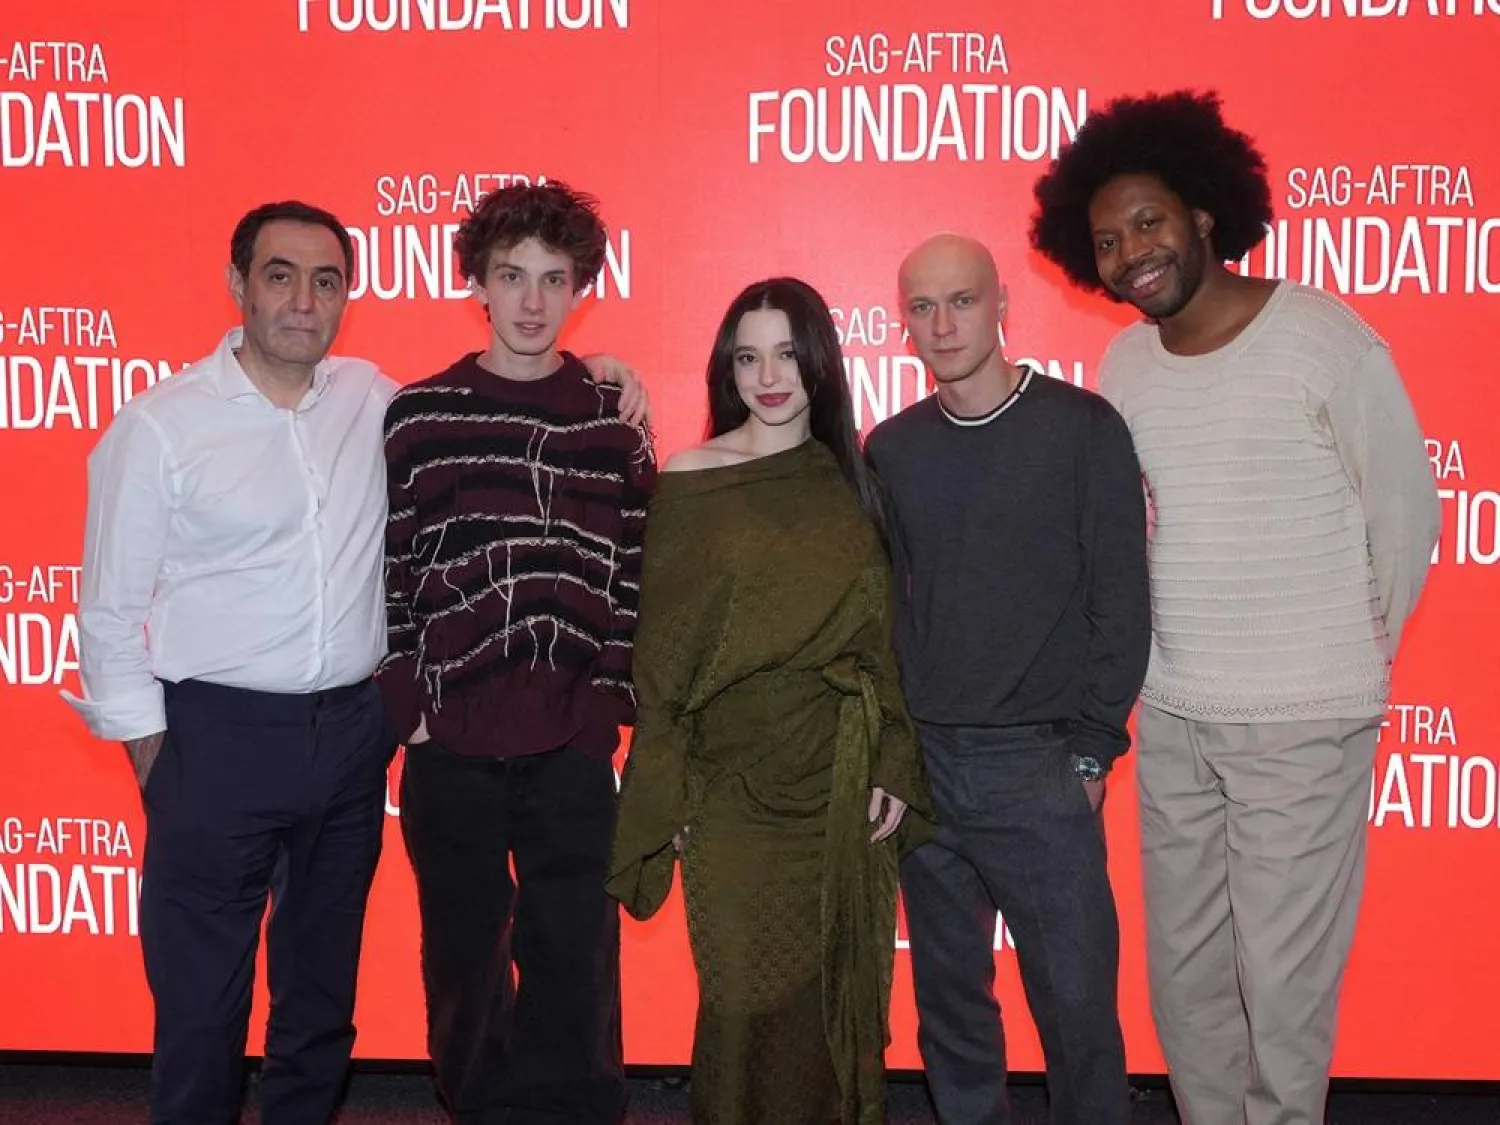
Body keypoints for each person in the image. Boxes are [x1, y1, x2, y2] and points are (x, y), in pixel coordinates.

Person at [62, 198, 650, 1125]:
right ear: (238, 286)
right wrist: (157, 761)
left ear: (347, 296)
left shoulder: (374, 399)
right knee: (204, 1002)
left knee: (321, 997)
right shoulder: (165, 426)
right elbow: (106, 614)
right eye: (280, 275)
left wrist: (606, 371)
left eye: (326, 280)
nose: (303, 300)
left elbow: (595, 518)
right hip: (221, 735)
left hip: (349, 736)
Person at [1028, 89, 1442, 1125]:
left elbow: (1406, 516)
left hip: (1302, 716)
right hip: (1172, 714)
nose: (1133, 254)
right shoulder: (1126, 365)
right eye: (1109, 241)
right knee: (1187, 982)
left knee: (1284, 989)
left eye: (1150, 224)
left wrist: (1345, 662)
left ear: (1206, 215)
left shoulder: (1322, 339)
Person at [606, 276, 934, 1125]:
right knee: (741, 1004)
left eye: (788, 352)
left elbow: (882, 638)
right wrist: (667, 786)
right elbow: (665, 657)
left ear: (819, 360)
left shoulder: (852, 478)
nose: (769, 375)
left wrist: (893, 755)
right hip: (731, 792)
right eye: (748, 356)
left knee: (833, 1003)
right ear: (727, 371)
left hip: (838, 780)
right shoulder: (693, 477)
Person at [379, 181, 655, 1125]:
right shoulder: (419, 414)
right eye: (512, 276)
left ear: (581, 286)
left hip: (569, 744)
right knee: (461, 963)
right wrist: (409, 703)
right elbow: (393, 564)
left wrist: (601, 712)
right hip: (449, 741)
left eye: (554, 278)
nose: (533, 300)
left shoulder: (612, 420)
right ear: (478, 284)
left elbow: (633, 572)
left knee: (576, 961)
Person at [865, 233, 1150, 1125]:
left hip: (1039, 768)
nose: (943, 324)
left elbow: (1121, 595)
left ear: (1000, 307)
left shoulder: (1082, 427)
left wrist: (1091, 749)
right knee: (951, 1012)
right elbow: (889, 611)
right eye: (923, 307)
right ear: (902, 324)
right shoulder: (892, 447)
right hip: (925, 768)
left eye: (962, 301)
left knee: (1077, 1017)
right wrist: (894, 749)